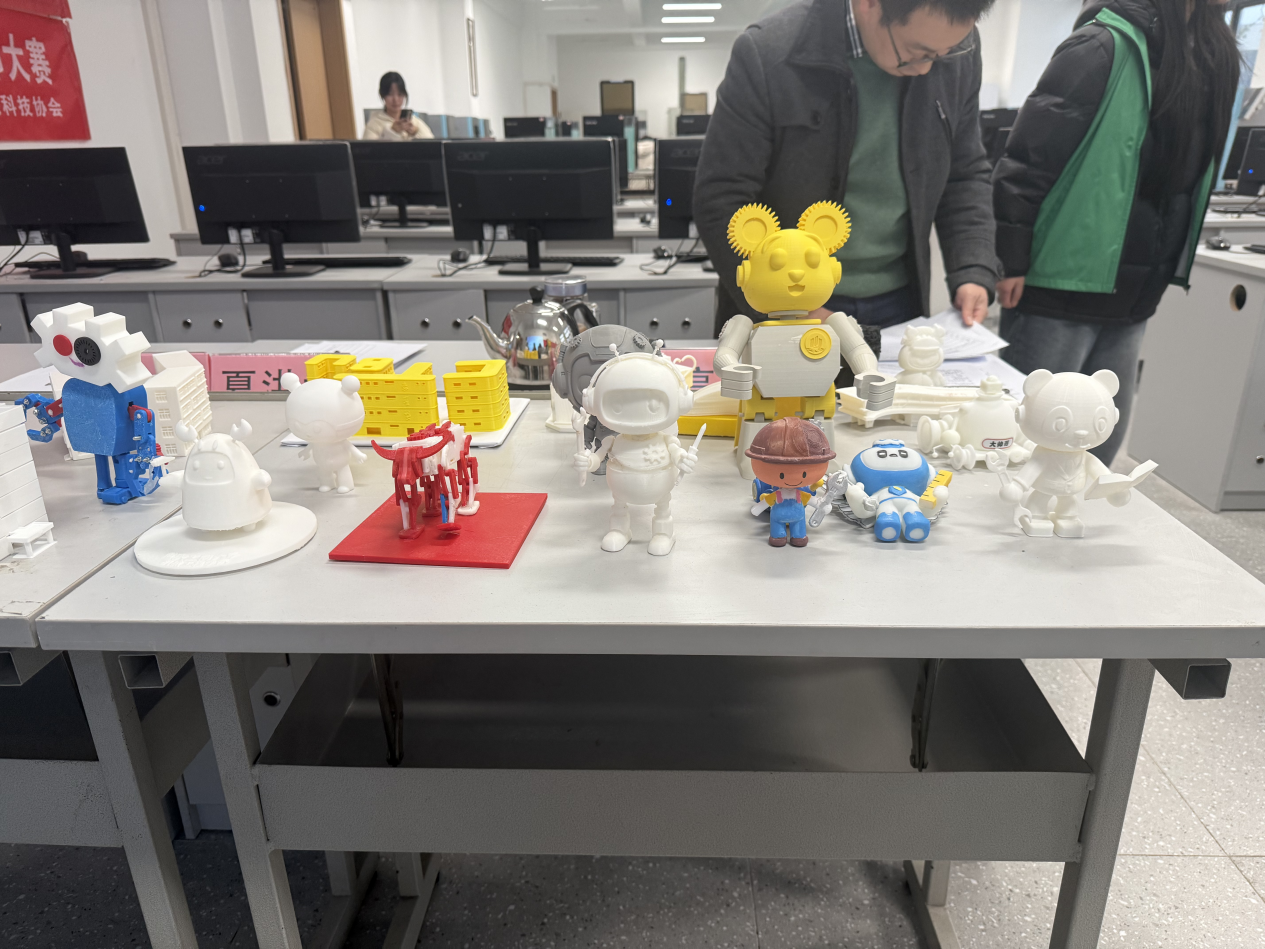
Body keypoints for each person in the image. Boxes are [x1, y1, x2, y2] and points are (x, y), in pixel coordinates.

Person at [993, 0, 1239, 464]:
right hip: (1063, 282)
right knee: (1026, 443)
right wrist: (1010, 259)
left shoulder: (1209, 54)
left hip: (1134, 293)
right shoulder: (1101, 46)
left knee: (1098, 447)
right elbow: (1026, 164)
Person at [695, 0, 1000, 334]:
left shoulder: (957, 50)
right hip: (789, 295)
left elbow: (965, 172)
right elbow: (721, 197)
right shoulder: (769, 53)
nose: (927, 69)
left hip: (898, 299)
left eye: (944, 54)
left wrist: (973, 268)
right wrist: (786, 304)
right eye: (918, 52)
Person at [363, 71, 433, 141]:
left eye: (400, 94)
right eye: (390, 94)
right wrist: (391, 132)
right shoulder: (374, 124)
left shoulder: (413, 121)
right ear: (383, 96)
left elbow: (432, 142)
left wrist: (415, 132)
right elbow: (369, 147)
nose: (395, 100)